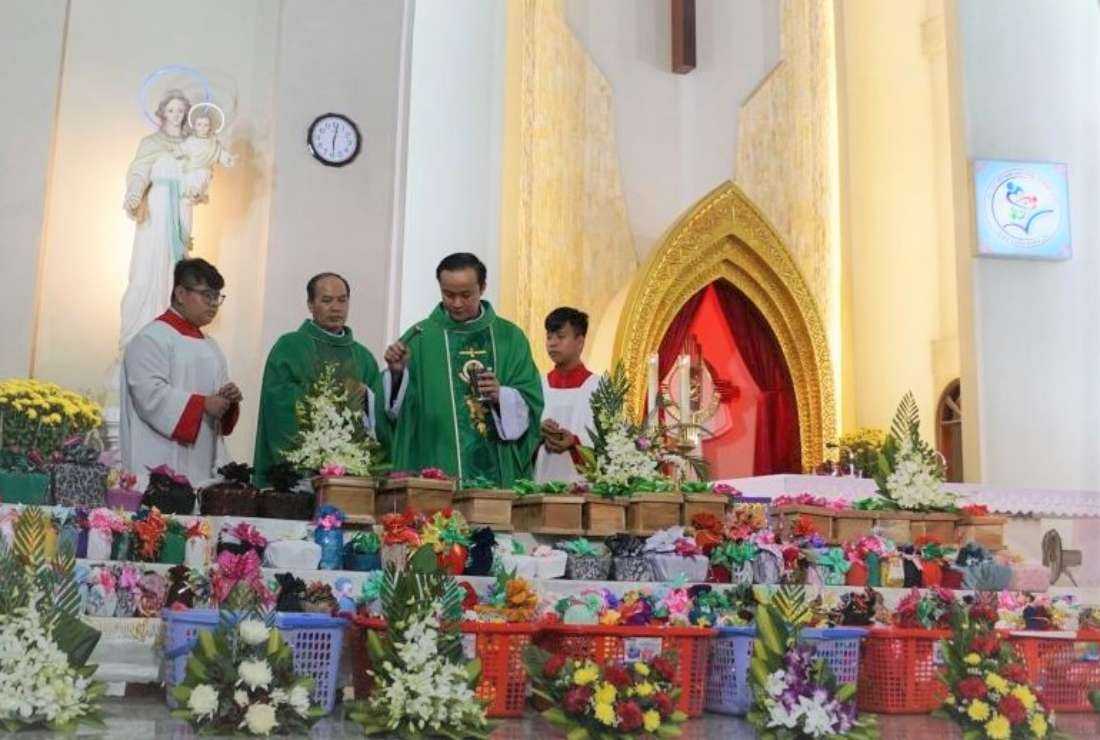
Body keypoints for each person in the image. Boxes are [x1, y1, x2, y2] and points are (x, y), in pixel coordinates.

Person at [383, 253, 543, 486]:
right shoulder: (420, 337)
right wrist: (397, 374)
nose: (457, 303)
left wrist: (503, 396)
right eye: (448, 295)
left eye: (466, 295)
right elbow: (398, 417)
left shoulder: (510, 337)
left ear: (483, 287)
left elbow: (532, 399)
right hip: (437, 462)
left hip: (497, 469)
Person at [252, 272, 386, 487]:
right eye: (327, 300)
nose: (336, 308)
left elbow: (380, 414)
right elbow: (277, 403)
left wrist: (367, 398)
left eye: (342, 300)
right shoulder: (290, 347)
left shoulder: (363, 357)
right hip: (300, 474)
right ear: (310, 304)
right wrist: (333, 396)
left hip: (350, 475)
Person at [120, 258, 241, 486]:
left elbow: (217, 407)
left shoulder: (211, 346)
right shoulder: (151, 338)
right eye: (207, 295)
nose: (214, 303)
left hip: (202, 462)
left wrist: (228, 400)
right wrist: (203, 404)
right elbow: (150, 396)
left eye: (217, 297)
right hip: (159, 459)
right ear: (180, 293)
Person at [118, 90, 194, 354]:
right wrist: (135, 193)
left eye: (181, 110)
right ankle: (136, 335)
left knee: (175, 270)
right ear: (162, 113)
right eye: (171, 110)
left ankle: (170, 331)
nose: (176, 115)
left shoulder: (193, 144)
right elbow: (139, 170)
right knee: (144, 273)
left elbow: (200, 177)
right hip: (156, 210)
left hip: (180, 213)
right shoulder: (151, 142)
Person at [535, 307, 599, 483]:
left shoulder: (599, 387)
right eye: (549, 337)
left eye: (560, 337)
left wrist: (574, 442)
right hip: (541, 479)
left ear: (580, 342)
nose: (552, 343)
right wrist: (538, 432)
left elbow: (609, 446)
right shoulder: (536, 384)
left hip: (583, 487)